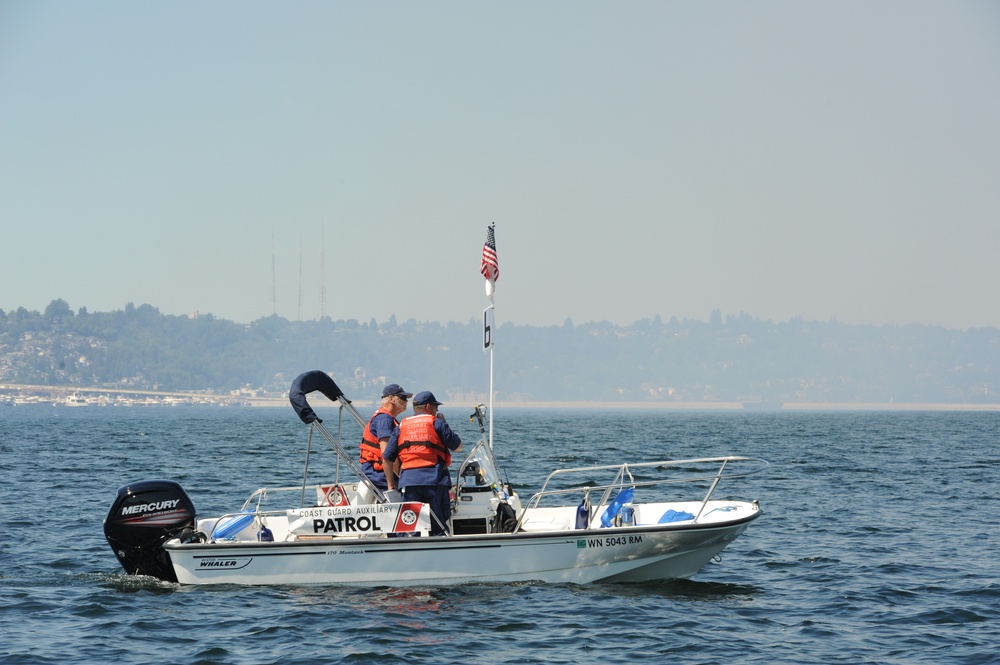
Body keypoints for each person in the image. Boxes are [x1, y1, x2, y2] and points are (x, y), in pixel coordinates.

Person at [383, 391, 463, 535]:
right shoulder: (436, 423)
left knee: (412, 527)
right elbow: (458, 447)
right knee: (438, 526)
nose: (437, 410)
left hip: (409, 483)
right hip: (435, 481)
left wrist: (390, 483)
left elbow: (387, 458)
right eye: (435, 406)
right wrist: (445, 424)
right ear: (428, 406)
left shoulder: (401, 426)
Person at [358, 383, 412, 492]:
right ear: (391, 399)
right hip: (379, 478)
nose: (406, 401)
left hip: (378, 476)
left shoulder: (387, 418)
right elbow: (386, 453)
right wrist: (392, 484)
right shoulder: (384, 420)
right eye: (402, 397)